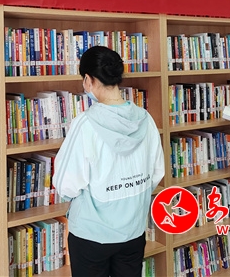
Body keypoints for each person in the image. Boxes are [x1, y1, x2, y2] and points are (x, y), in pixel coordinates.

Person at [52, 46, 165, 277]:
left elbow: (65, 185)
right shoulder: (145, 119)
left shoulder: (85, 124)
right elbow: (156, 173)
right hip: (133, 231)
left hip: (91, 236)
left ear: (88, 80)